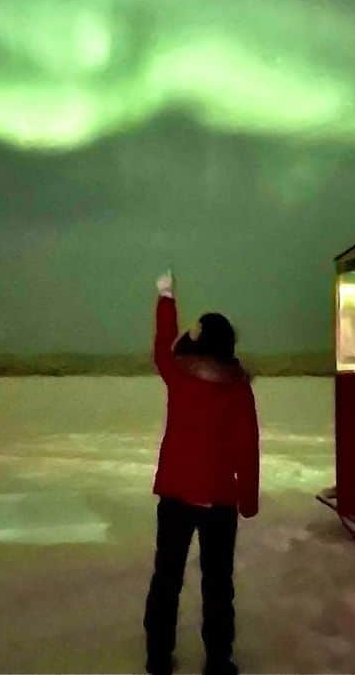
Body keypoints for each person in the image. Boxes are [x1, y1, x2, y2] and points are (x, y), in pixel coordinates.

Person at [143, 270, 259, 675]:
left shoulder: (180, 376)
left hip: (175, 495)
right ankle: (217, 661)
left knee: (167, 579)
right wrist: (248, 499)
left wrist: (166, 297)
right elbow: (248, 446)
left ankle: (158, 658)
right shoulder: (238, 388)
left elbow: (162, 345)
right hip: (219, 503)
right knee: (217, 585)